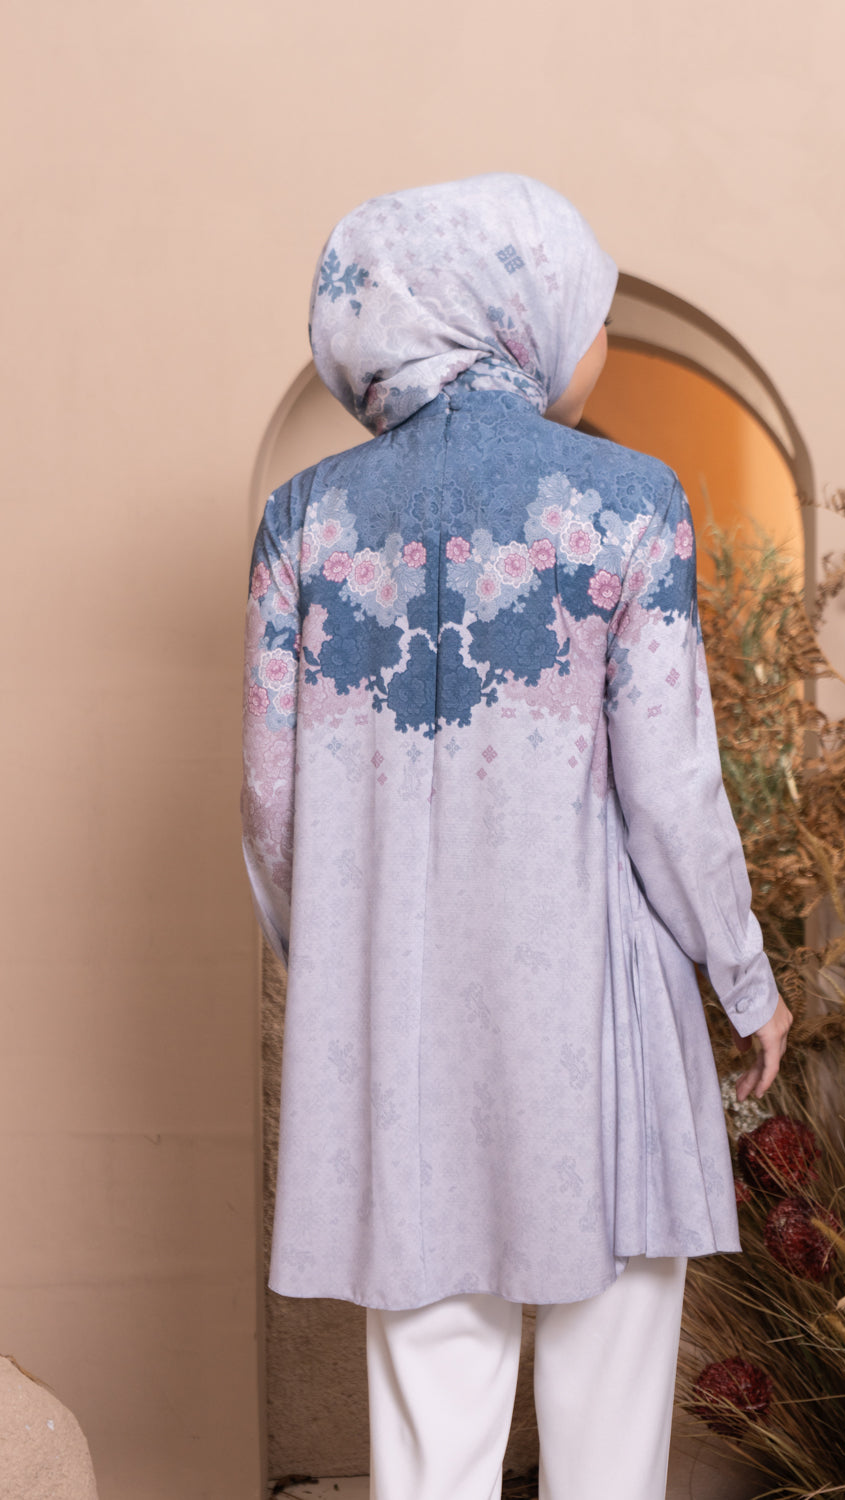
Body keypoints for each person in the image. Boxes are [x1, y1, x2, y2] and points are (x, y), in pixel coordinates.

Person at [242, 172, 792, 1500]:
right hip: (597, 1027)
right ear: (516, 314)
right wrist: (746, 979)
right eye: (590, 310)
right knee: (610, 1423)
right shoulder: (627, 500)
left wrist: (341, 964)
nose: (599, 340)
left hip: (396, 1028)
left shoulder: (305, 519)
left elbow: (270, 801)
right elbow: (671, 786)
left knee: (429, 1437)